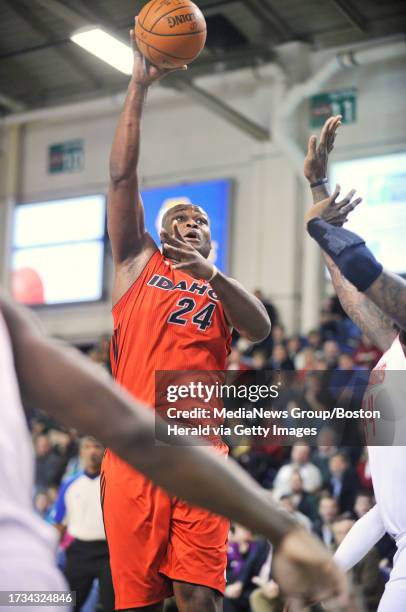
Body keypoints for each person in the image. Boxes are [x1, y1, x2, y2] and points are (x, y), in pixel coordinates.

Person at [0, 292, 346, 609]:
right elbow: (130, 432)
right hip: (39, 570)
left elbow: (136, 431)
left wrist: (282, 529)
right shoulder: (74, 481)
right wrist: (283, 530)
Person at [103, 26, 272, 612]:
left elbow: (262, 328)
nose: (194, 220)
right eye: (182, 215)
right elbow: (122, 178)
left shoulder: (219, 289)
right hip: (136, 454)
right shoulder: (135, 263)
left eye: (202, 218)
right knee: (143, 604)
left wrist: (213, 276)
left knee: (201, 599)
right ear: (162, 230)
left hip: (201, 450)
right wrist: (139, 86)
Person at [303, 114, 406, 610]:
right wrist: (317, 186)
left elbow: (363, 270)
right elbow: (350, 292)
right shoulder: (394, 350)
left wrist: (317, 224)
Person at [52, 437, 114, 611]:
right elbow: (59, 524)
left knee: (115, 605)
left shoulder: (115, 483)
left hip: (110, 553)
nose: (92, 451)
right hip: (79, 552)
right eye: (87, 447)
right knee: (67, 605)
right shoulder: (69, 484)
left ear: (104, 451)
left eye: (97, 446)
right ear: (81, 452)